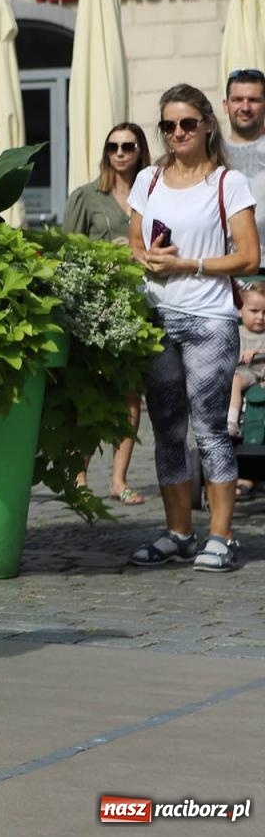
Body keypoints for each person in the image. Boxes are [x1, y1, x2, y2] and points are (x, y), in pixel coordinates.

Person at [128, 83, 260, 572]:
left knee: (209, 429)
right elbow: (133, 246)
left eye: (186, 123)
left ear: (207, 123)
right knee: (166, 430)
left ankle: (221, 536)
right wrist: (148, 257)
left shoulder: (228, 183)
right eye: (167, 125)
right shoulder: (149, 179)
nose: (177, 132)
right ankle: (178, 532)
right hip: (157, 318)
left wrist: (189, 265)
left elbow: (249, 255)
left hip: (208, 320)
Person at [63, 121, 152, 505]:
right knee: (92, 390)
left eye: (128, 146)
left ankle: (118, 478)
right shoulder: (86, 196)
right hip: (96, 307)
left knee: (131, 394)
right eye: (113, 146)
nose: (120, 153)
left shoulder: (154, 195)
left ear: (139, 151)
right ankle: (80, 476)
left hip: (140, 304)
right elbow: (68, 250)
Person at [219, 67, 265, 270]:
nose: (245, 107)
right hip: (222, 273)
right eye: (237, 99)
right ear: (225, 105)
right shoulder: (210, 155)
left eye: (254, 100)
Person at [229, 286, 265, 489]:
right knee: (234, 380)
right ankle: (232, 421)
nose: (260, 317)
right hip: (245, 375)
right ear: (240, 311)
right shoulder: (237, 333)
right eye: (254, 311)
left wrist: (259, 350)